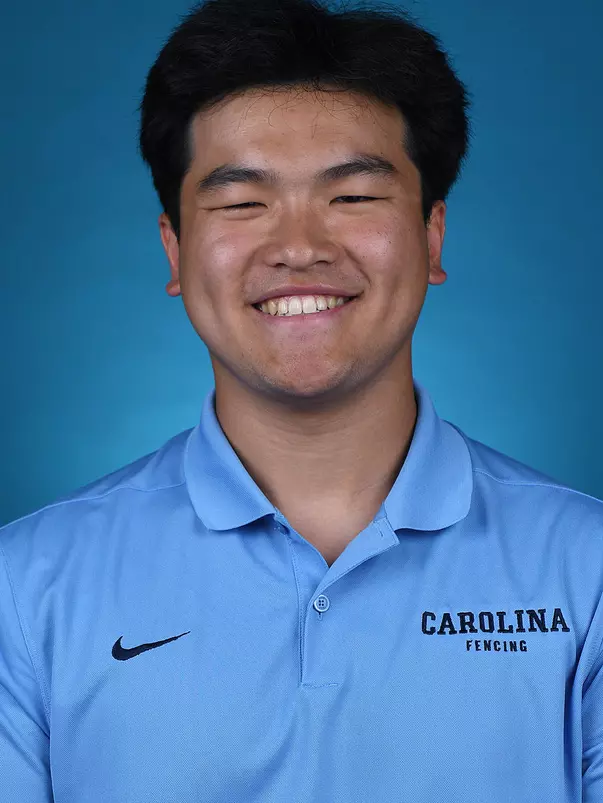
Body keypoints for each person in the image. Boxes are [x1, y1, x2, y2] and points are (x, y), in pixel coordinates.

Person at [1, 0, 602, 799]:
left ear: (431, 238)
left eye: (352, 196)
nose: (298, 248)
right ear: (174, 251)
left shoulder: (585, 570)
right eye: (242, 202)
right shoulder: (24, 585)